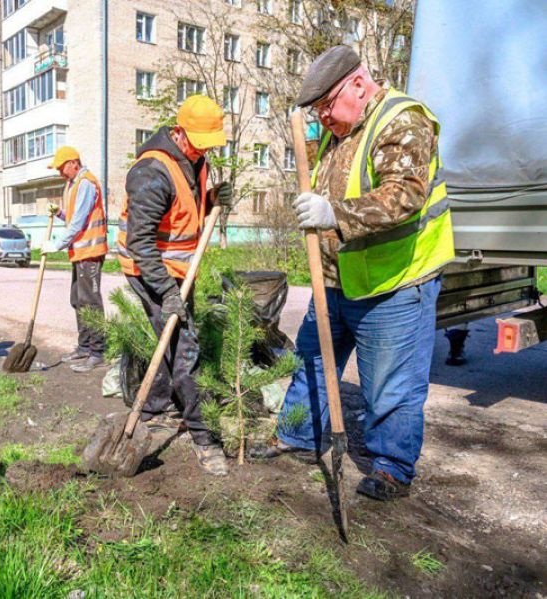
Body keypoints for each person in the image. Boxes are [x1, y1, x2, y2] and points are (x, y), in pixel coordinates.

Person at [250, 45, 455, 501]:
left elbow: (404, 195)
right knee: (312, 362)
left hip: (395, 282)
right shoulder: (341, 128)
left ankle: (391, 466)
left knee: (389, 384)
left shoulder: (402, 120)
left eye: (326, 105)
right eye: (317, 109)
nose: (322, 117)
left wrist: (333, 213)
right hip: (337, 279)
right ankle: (301, 435)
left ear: (359, 85)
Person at [116, 94, 234, 477]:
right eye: (201, 141)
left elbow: (184, 211)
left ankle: (157, 406)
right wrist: (166, 292)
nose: (207, 149)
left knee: (176, 344)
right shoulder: (152, 172)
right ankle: (204, 437)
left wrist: (212, 198)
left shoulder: (193, 159)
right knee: (185, 349)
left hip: (180, 271)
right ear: (180, 133)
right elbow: (141, 241)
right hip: (150, 271)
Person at [40, 147, 109, 373]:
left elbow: (79, 223)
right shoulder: (72, 185)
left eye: (61, 167)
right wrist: (59, 212)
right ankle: (84, 346)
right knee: (77, 299)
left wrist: (56, 244)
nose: (60, 172)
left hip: (90, 251)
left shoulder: (86, 183)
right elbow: (72, 217)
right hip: (79, 252)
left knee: (91, 301)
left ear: (73, 163)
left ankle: (98, 352)